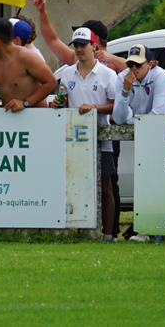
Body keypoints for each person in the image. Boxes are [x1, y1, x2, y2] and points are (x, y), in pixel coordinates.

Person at [60, 27, 118, 240]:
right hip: (74, 138)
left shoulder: (107, 73)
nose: (79, 49)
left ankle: (108, 234)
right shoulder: (67, 73)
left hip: (100, 137)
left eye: (83, 45)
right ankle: (73, 229)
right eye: (76, 45)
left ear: (94, 46)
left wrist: (94, 108)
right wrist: (58, 104)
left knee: (105, 186)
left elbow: (115, 106)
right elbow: (64, 102)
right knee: (72, 184)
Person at [31, 0, 125, 73]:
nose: (79, 47)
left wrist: (113, 59)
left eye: (83, 36)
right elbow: (52, 40)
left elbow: (133, 71)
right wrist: (42, 12)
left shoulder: (112, 64)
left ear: (95, 39)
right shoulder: (77, 58)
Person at [113, 44, 165, 124]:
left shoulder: (160, 75)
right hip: (144, 124)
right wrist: (125, 91)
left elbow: (158, 115)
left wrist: (130, 122)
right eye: (130, 64)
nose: (134, 68)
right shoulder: (122, 77)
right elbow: (118, 119)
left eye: (138, 64)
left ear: (150, 64)